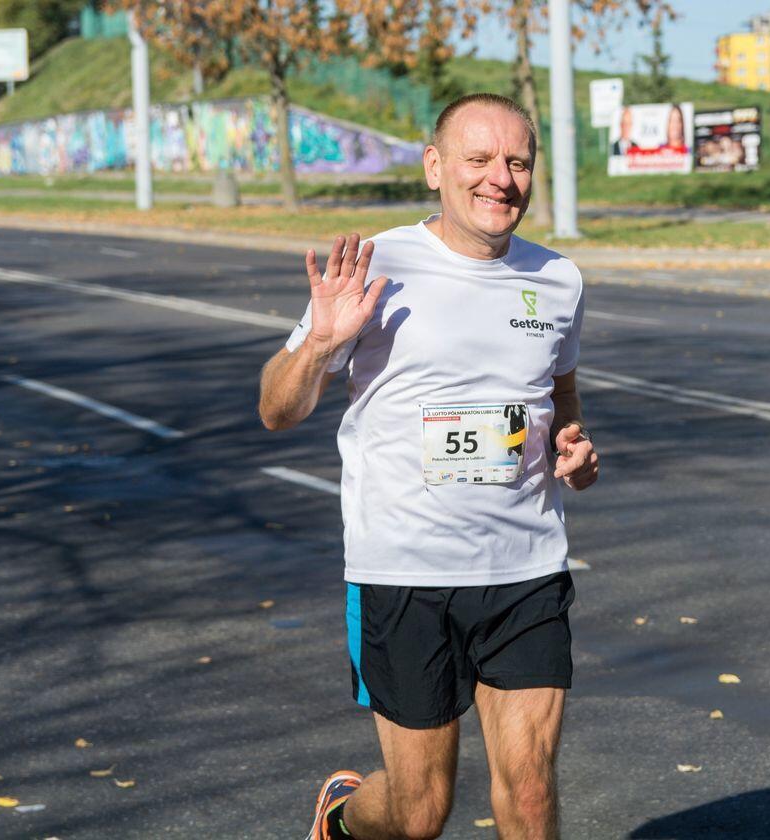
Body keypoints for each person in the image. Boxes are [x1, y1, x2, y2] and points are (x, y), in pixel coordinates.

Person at [258, 92, 599, 840]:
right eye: (479, 159)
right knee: (417, 815)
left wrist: (572, 446)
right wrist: (320, 343)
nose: (500, 178)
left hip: (526, 567)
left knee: (530, 790)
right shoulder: (378, 266)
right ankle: (343, 817)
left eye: (518, 162)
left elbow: (560, 391)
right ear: (435, 167)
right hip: (404, 570)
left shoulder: (559, 279)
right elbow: (276, 409)